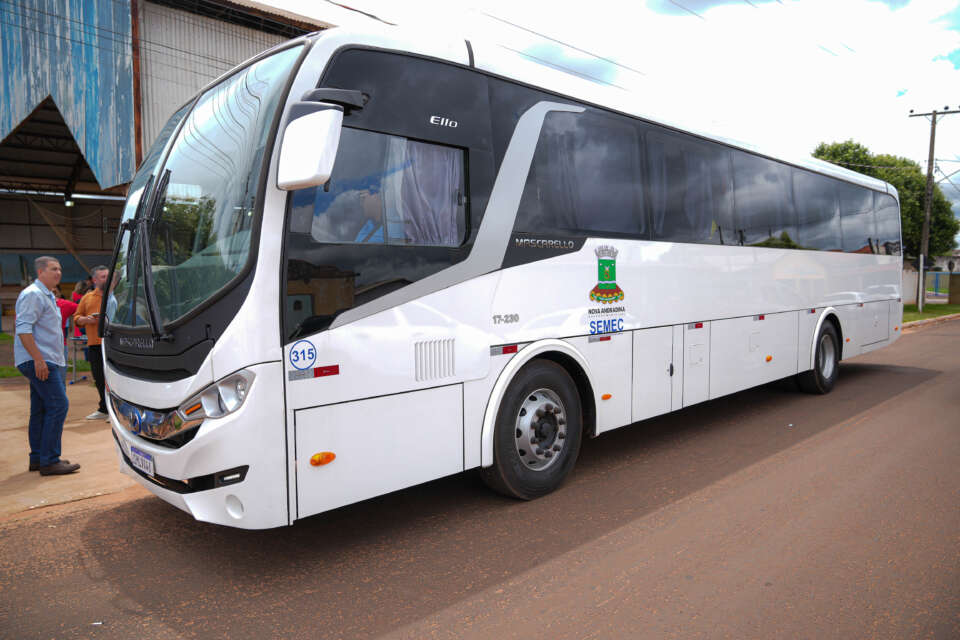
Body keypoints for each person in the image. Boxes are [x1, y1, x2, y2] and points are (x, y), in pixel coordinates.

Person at [14, 256, 81, 475]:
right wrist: (38, 359)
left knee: (41, 408)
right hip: (40, 361)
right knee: (58, 405)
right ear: (41, 272)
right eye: (53, 269)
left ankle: (38, 458)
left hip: (45, 359)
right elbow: (23, 329)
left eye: (59, 269)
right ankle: (50, 460)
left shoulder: (48, 295)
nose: (58, 273)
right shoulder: (33, 295)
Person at [74, 266, 109, 420]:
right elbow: (77, 318)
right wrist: (86, 320)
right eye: (103, 277)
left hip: (113, 344)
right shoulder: (87, 298)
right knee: (99, 378)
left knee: (114, 379)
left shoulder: (116, 296)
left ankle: (116, 411)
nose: (107, 279)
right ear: (94, 280)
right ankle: (104, 409)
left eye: (108, 276)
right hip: (95, 344)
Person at [54, 286, 78, 366]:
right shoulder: (64, 303)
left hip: (55, 346)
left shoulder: (64, 304)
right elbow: (82, 309)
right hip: (59, 346)